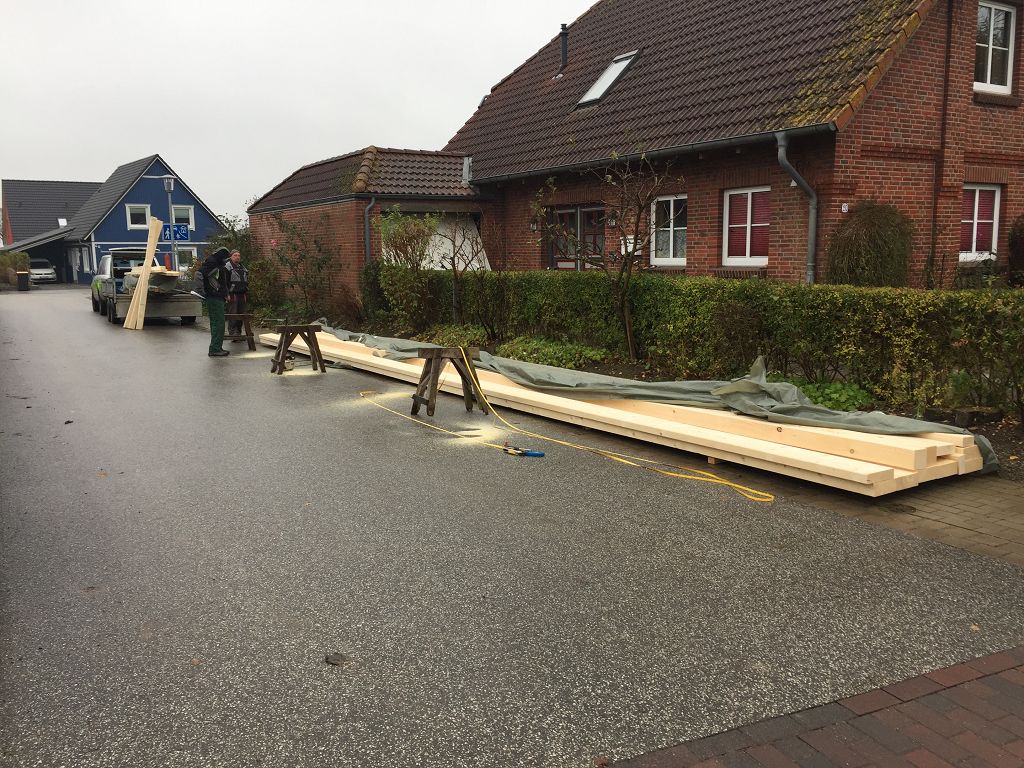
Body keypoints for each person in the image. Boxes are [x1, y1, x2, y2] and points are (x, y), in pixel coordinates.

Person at [198, 246, 231, 356]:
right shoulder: (212, 263)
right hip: (214, 297)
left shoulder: (216, 263)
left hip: (217, 296)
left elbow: (221, 281)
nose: (226, 260)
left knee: (217, 323)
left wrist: (225, 293)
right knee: (218, 323)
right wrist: (203, 292)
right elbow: (200, 274)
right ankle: (215, 349)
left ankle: (216, 347)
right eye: (226, 258)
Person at [224, 249, 249, 342]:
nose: (237, 257)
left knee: (241, 314)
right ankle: (233, 333)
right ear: (230, 257)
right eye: (235, 255)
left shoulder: (242, 267)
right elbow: (224, 282)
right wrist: (226, 294)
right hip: (232, 294)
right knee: (233, 314)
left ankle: (238, 332)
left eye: (238, 255)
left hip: (242, 294)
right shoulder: (227, 267)